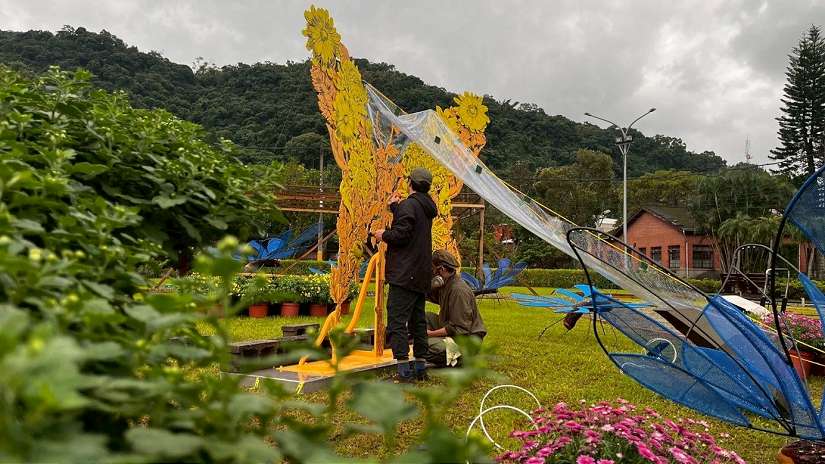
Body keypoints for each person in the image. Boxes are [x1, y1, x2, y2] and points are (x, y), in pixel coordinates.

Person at [373, 167, 438, 382]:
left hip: (404, 273)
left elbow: (402, 235)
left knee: (397, 321)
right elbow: (411, 222)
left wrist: (383, 235)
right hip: (420, 273)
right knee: (418, 320)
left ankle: (403, 369)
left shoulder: (410, 205)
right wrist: (395, 208)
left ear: (410, 183)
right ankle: (421, 367)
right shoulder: (425, 206)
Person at [425, 249, 487, 367]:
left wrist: (430, 334)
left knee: (423, 344)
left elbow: (459, 329)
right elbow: (433, 297)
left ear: (441, 270)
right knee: (426, 317)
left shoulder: (458, 291)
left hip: (465, 342)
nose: (431, 273)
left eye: (432, 269)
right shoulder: (446, 284)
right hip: (453, 333)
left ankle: (460, 358)